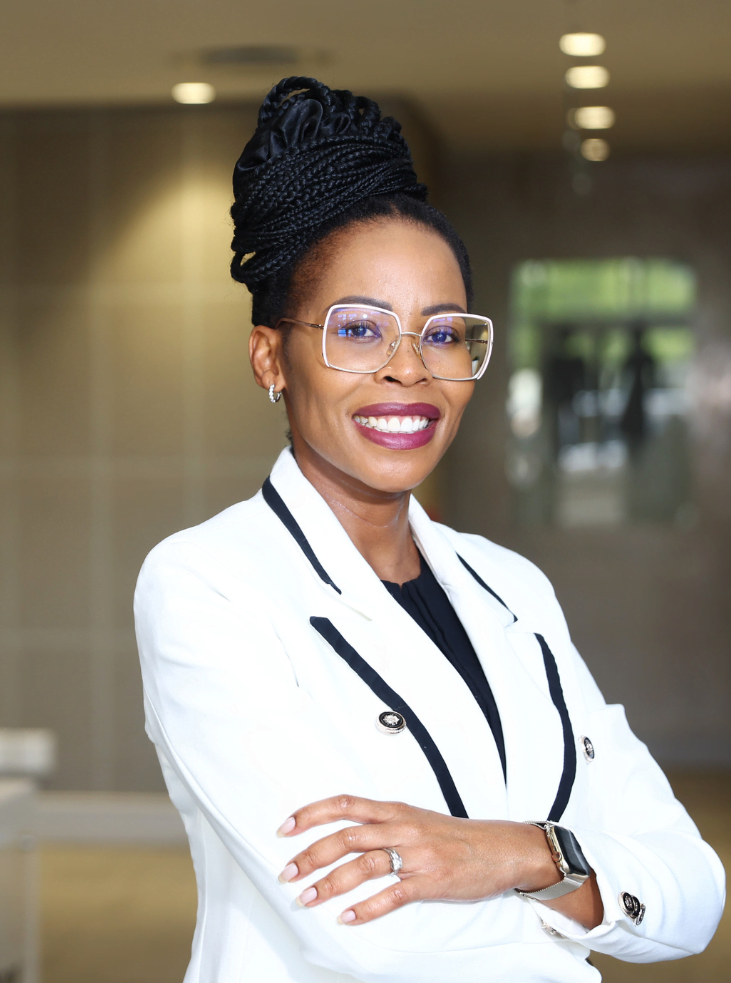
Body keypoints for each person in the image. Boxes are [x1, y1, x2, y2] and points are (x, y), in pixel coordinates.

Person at [133, 77, 724, 983]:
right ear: (269, 358)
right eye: (360, 330)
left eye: (444, 334)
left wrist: (515, 855)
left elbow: (692, 893)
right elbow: (363, 928)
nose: (410, 371)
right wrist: (579, 874)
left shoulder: (511, 587)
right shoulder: (209, 583)